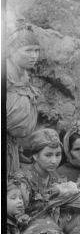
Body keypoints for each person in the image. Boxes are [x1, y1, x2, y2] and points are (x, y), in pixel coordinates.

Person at [6, 24, 41, 174]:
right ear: (11, 51)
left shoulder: (24, 77)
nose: (34, 56)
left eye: (36, 50)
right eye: (28, 50)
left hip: (11, 148)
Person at [21, 128, 65, 217]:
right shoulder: (23, 180)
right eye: (48, 155)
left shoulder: (56, 177)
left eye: (58, 155)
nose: (54, 161)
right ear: (35, 156)